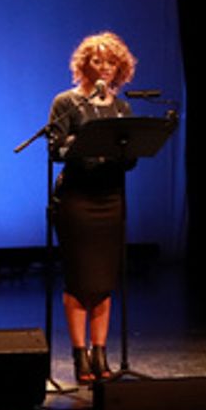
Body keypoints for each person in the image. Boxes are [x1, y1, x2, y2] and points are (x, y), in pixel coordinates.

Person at [48, 31, 138, 383]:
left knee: (103, 281)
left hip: (110, 199)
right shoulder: (67, 103)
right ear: (84, 65)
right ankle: (79, 356)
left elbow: (129, 160)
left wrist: (126, 152)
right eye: (97, 61)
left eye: (111, 62)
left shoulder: (121, 108)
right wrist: (83, 144)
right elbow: (55, 150)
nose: (104, 67)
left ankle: (100, 354)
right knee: (79, 281)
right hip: (77, 200)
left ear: (120, 69)